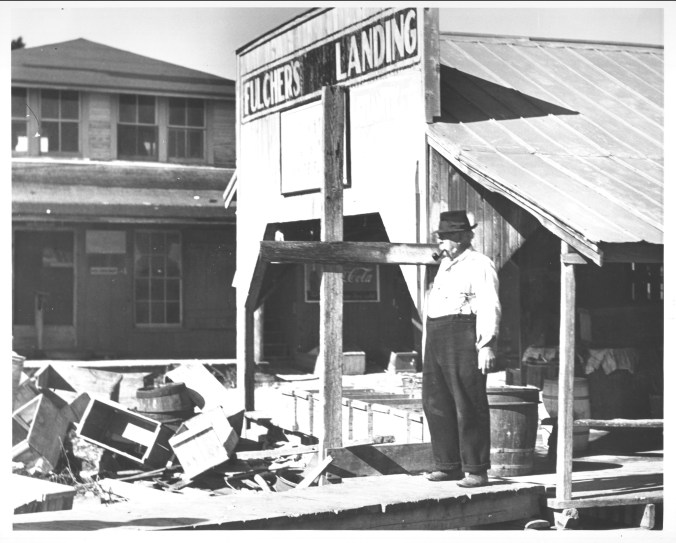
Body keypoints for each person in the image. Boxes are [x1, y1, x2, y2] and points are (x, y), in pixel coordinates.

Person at [422, 210, 501, 487]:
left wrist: (486, 344)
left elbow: (489, 304)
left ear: (464, 237)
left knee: (468, 402)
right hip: (437, 335)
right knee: (436, 401)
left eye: (447, 237)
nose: (442, 242)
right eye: (441, 237)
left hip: (463, 335)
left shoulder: (480, 264)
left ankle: (476, 469)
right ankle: (448, 464)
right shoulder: (445, 264)